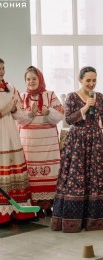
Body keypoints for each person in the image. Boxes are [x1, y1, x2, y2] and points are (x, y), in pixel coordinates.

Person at [51, 66, 103, 233]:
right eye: (88, 80)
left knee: (97, 178)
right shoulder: (72, 97)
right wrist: (86, 107)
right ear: (80, 80)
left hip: (96, 141)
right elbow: (69, 120)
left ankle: (97, 220)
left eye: (94, 80)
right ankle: (74, 220)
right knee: (76, 178)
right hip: (77, 142)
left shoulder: (100, 97)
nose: (91, 83)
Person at [17, 66, 64, 218]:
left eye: (34, 78)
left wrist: (48, 112)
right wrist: (30, 114)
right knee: (32, 175)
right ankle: (35, 207)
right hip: (29, 144)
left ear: (40, 79)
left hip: (47, 143)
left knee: (51, 172)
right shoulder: (22, 96)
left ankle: (49, 206)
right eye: (28, 79)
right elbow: (18, 118)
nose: (31, 81)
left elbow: (60, 116)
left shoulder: (50, 95)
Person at [0, 58, 35, 224]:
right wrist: (8, 107)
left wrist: (30, 113)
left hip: (11, 134)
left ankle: (17, 210)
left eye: (3, 68)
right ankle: (2, 213)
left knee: (13, 168)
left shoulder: (11, 88)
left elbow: (18, 114)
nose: (1, 71)